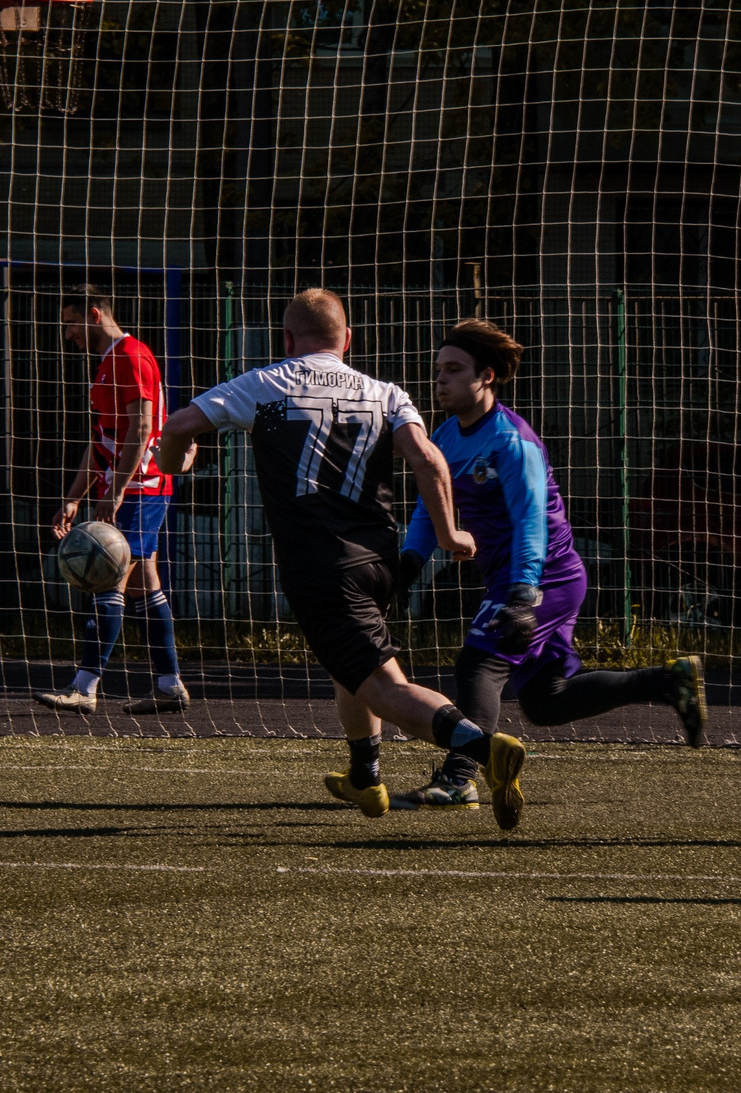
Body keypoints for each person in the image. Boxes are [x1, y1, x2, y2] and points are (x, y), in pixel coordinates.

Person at [153, 288, 529, 828]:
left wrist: (177, 462)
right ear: (347, 340)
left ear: (287, 339)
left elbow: (176, 427)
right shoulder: (386, 394)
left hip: (321, 565)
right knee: (351, 666)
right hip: (379, 561)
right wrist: (449, 534)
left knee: (384, 686)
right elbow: (427, 459)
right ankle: (365, 776)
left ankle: (484, 748)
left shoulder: (267, 384)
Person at [383, 319, 710, 809]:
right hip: (518, 578)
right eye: (438, 371)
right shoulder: (446, 437)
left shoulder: (512, 441)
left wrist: (522, 595)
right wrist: (408, 564)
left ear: (486, 376)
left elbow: (531, 521)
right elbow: (432, 509)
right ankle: (667, 681)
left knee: (479, 663)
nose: (440, 380)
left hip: (546, 577)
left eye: (454, 370)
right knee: (546, 701)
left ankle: (458, 778)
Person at [40, 287, 187, 714]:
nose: (68, 335)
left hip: (141, 487)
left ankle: (84, 687)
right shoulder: (108, 363)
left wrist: (117, 490)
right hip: (129, 487)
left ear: (93, 315)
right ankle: (169, 686)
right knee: (143, 583)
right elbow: (101, 442)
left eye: (70, 324)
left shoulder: (131, 355)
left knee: (106, 577)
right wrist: (74, 498)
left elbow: (141, 428)